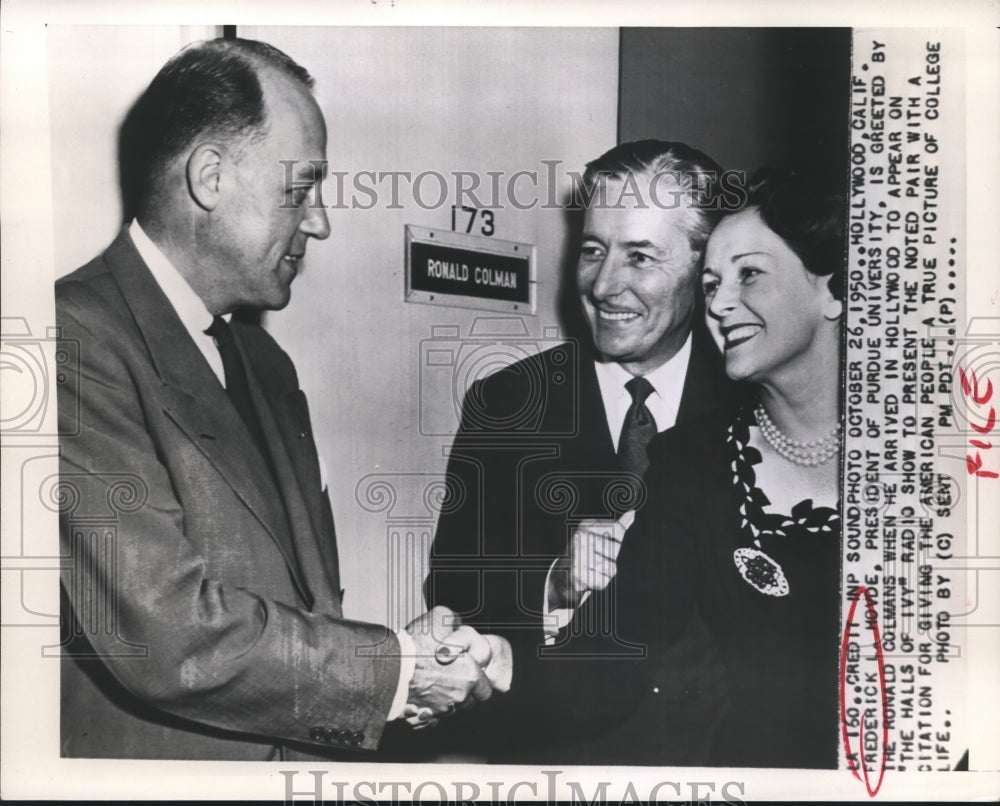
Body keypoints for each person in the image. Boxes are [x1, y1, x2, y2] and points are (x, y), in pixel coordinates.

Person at [55, 37, 506, 761]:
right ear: (210, 177)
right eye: (299, 190)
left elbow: (307, 607)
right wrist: (396, 673)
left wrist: (402, 655)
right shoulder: (69, 341)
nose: (319, 221)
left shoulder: (265, 363)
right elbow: (166, 635)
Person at [425, 140, 733, 763]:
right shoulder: (510, 402)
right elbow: (456, 589)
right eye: (593, 251)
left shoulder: (752, 406)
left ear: (705, 267)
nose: (604, 284)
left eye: (640, 257)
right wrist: (553, 586)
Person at [599, 168, 845, 767]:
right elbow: (616, 651)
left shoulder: (947, 452)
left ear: (833, 290)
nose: (720, 304)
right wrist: (494, 665)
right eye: (710, 284)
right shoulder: (693, 461)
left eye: (749, 275)